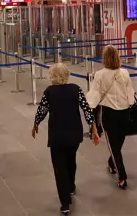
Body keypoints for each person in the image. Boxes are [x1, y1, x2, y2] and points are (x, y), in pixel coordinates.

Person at [32, 63, 100, 215]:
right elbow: (86, 108)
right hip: (74, 134)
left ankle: (65, 202)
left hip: (57, 135)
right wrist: (93, 126)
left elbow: (42, 110)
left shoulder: (50, 92)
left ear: (52, 76)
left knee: (59, 168)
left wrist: (36, 123)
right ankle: (70, 185)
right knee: (71, 160)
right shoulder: (76, 89)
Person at [86, 45, 134, 190]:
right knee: (118, 143)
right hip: (125, 112)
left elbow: (94, 96)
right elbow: (130, 93)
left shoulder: (100, 74)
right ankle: (111, 163)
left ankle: (122, 176)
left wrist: (88, 108)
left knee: (114, 146)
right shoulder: (124, 72)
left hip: (110, 113)